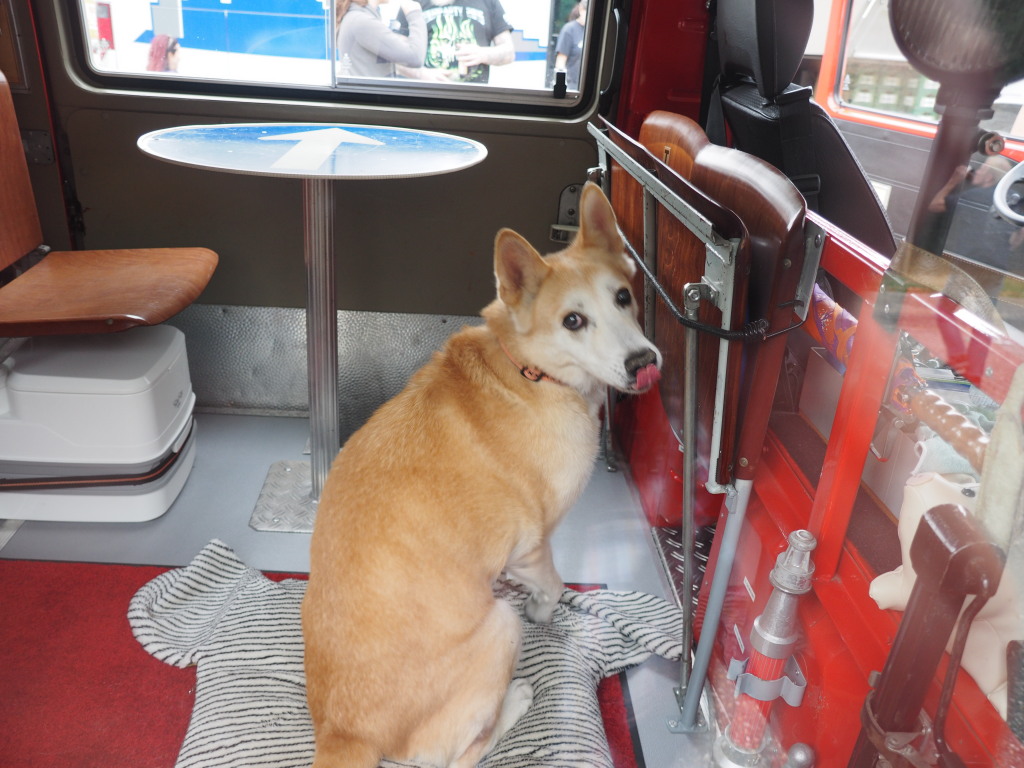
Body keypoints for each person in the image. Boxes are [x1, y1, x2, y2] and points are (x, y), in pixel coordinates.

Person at [398, 0, 514, 84]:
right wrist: (421, 74)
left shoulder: (488, 2)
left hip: (474, 100)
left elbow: (509, 52)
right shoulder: (413, 4)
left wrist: (483, 54)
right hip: (426, 98)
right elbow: (397, 58)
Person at [336, 0, 427, 78]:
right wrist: (414, 14)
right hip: (370, 93)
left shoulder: (357, 18)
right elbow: (415, 57)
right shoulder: (361, 21)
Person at [554, 1, 587, 91]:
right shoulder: (569, 30)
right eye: (587, 12)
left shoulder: (592, 31)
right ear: (581, 9)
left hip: (587, 87)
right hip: (572, 87)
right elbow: (560, 62)